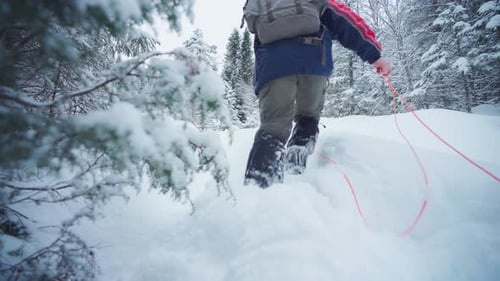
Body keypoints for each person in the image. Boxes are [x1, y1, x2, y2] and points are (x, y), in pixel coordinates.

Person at [244, 0, 392, 188]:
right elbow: (345, 22)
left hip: (273, 67)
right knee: (308, 118)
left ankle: (259, 189)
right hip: (314, 62)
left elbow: (255, 31)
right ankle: (296, 171)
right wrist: (374, 56)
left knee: (272, 128)